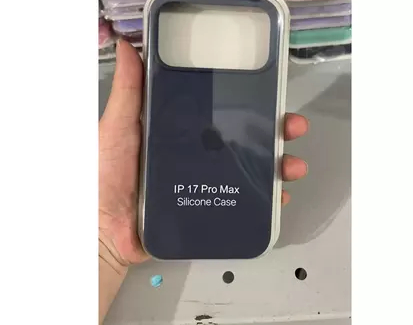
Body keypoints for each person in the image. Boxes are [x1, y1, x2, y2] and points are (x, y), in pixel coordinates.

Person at [99, 40, 309, 323]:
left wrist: (104, 246)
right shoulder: (193, 152)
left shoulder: (225, 151)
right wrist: (103, 243)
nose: (184, 124)